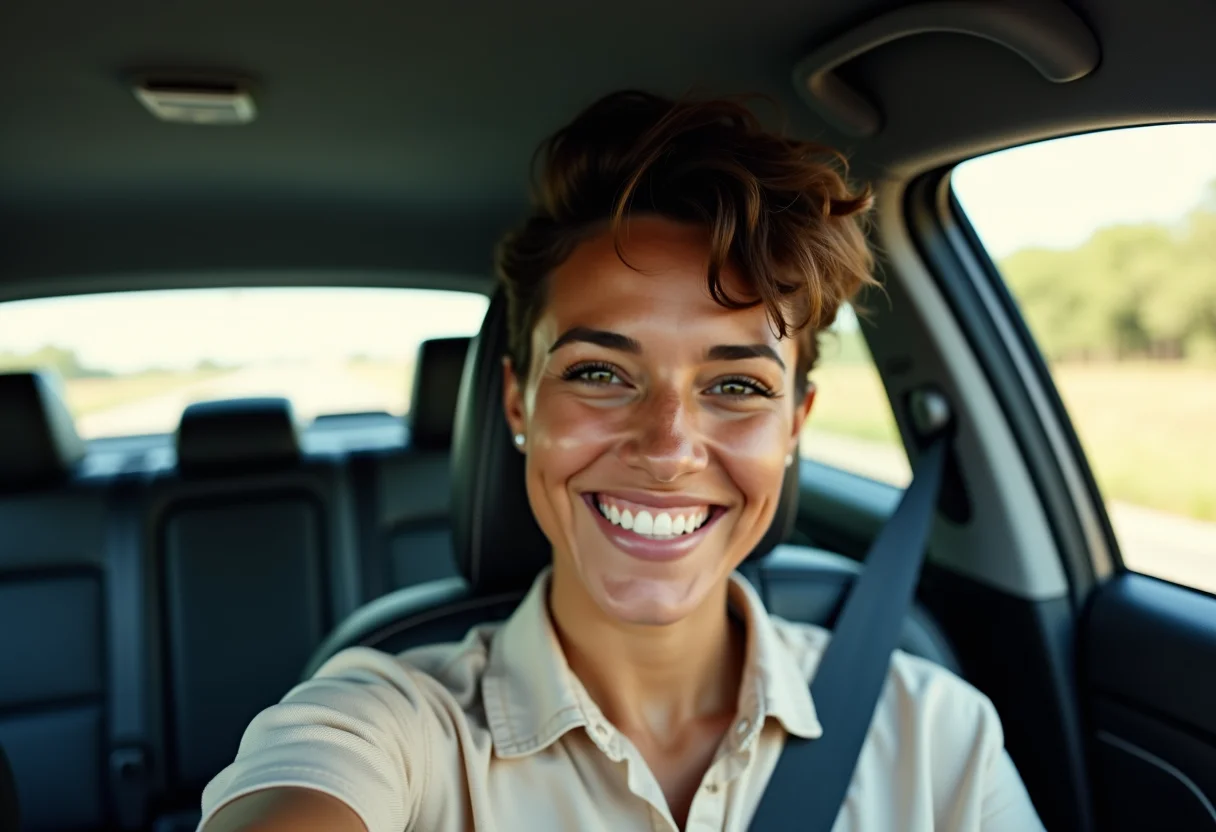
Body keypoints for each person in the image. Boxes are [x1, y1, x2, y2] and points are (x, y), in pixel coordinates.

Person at [198, 90, 1044, 832]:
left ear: (795, 427)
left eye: (738, 386)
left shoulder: (938, 736)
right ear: (518, 402)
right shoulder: (393, 725)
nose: (668, 446)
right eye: (600, 373)